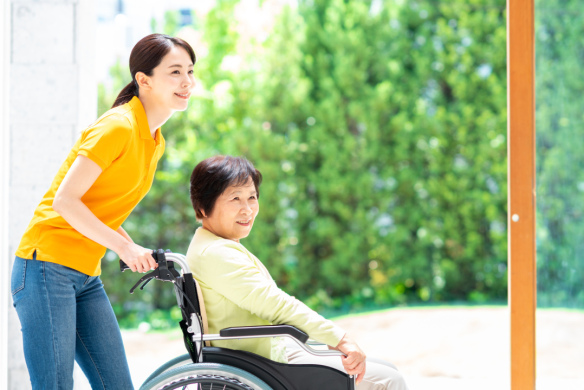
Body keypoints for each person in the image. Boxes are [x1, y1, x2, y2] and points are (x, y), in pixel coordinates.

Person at [11, 33, 196, 390]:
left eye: (190, 70)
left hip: (85, 275)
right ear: (143, 80)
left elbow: (101, 210)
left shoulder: (153, 141)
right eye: (175, 72)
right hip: (45, 268)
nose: (187, 81)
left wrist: (133, 246)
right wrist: (124, 249)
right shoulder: (118, 127)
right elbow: (65, 201)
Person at [186, 155, 408, 390]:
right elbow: (277, 305)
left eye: (252, 197)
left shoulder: (210, 245)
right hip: (258, 366)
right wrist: (340, 338)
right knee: (389, 381)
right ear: (203, 206)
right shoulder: (216, 253)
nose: (248, 209)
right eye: (235, 199)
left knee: (385, 368)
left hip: (261, 353)